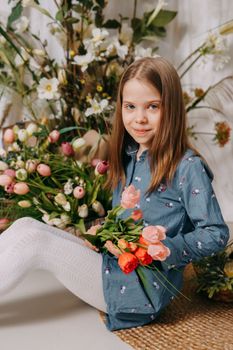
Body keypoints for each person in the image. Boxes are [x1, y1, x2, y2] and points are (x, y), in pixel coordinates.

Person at [0, 57, 229, 332]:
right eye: (130, 106)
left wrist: (169, 248)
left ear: (172, 110)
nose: (139, 118)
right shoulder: (130, 155)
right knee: (27, 225)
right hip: (113, 263)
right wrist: (98, 237)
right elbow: (121, 220)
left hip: (136, 287)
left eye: (153, 107)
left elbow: (215, 232)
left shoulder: (186, 166)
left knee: (36, 242)